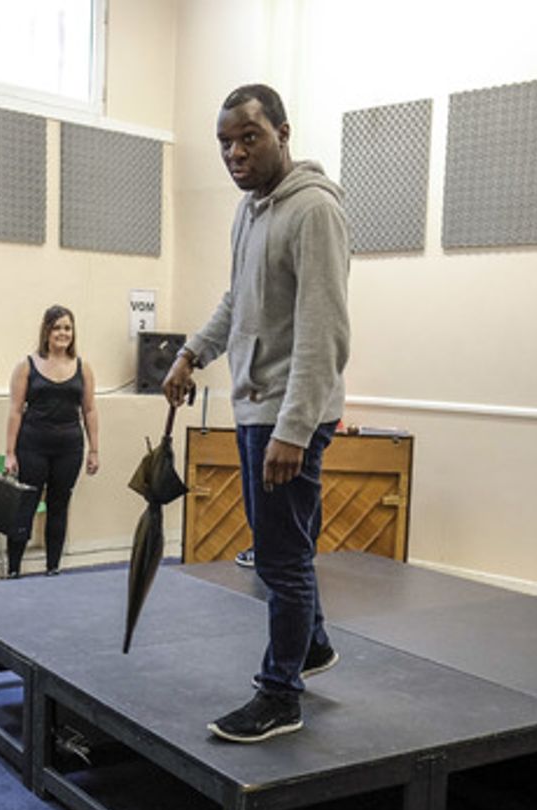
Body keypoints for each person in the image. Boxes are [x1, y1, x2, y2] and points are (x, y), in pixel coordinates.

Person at [163, 83, 351, 743]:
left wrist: (294, 429)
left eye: (249, 137)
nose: (235, 153)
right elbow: (237, 298)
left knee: (278, 559)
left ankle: (280, 693)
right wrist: (192, 353)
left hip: (287, 414)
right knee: (286, 547)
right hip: (258, 406)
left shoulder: (313, 213)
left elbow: (322, 330)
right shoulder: (249, 212)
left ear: (282, 132)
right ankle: (315, 642)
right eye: (225, 143)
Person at [3, 304, 99, 577]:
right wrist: (10, 453)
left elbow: (90, 410)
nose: (62, 333)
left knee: (59, 506)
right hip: (32, 445)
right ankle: (13, 571)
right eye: (57, 327)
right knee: (26, 506)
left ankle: (53, 569)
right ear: (46, 331)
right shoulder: (27, 365)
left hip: (69, 447)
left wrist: (94, 450)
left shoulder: (83, 367)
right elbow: (15, 410)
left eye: (67, 328)